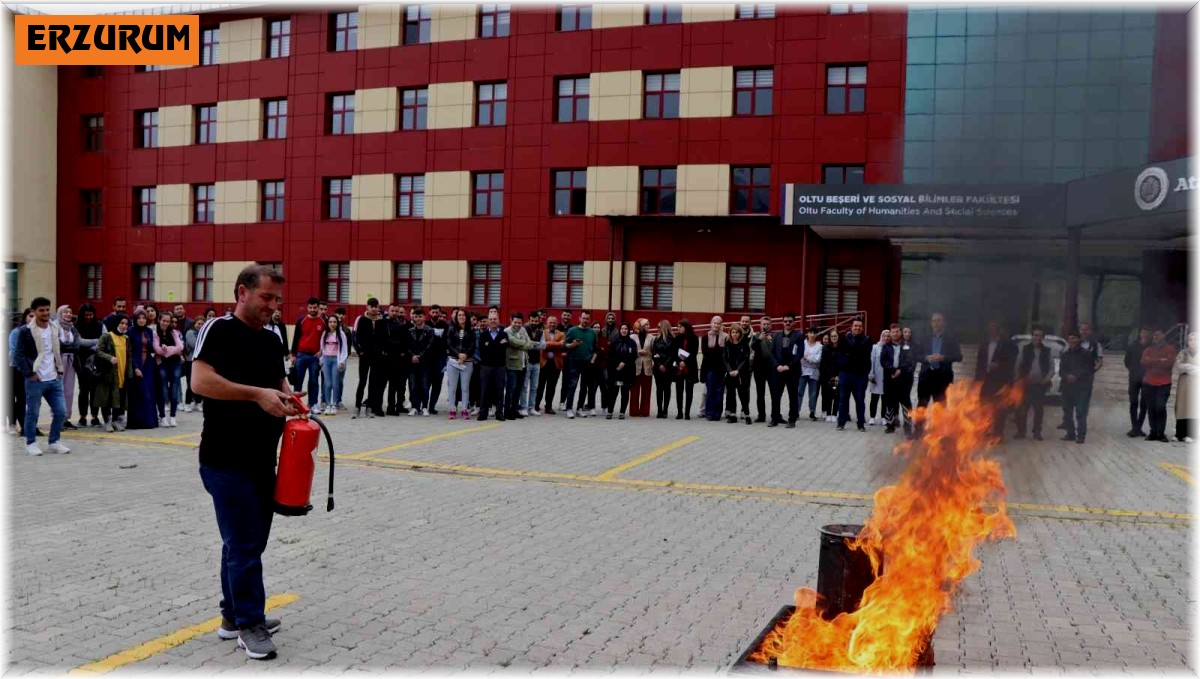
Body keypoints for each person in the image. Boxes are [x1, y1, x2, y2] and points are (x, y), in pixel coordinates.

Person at [191, 265, 299, 660]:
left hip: (261, 460)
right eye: (266, 298)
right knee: (244, 544)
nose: (273, 307)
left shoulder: (272, 339)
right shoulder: (218, 330)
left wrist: (291, 399)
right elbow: (200, 382)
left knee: (245, 542)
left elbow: (279, 383)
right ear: (242, 292)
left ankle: (231, 617)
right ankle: (250, 624)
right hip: (223, 460)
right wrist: (257, 395)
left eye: (277, 301)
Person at [13, 298, 70, 455]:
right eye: (41, 310)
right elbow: (19, 355)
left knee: (61, 412)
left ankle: (54, 441)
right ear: (33, 311)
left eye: (47, 309)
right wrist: (30, 373)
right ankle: (31, 443)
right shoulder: (25, 331)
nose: (45, 313)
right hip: (35, 380)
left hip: (54, 378)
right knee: (33, 413)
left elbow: (57, 349)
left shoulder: (53, 327)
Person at [55, 305, 96, 430]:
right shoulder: (54, 327)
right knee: (58, 390)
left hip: (71, 361)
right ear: (60, 313)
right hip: (58, 361)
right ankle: (58, 419)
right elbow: (58, 344)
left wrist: (98, 340)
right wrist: (72, 347)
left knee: (69, 390)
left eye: (70, 312)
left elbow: (80, 342)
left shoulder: (72, 328)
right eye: (65, 312)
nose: (68, 314)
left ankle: (66, 418)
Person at [916, 312, 962, 424]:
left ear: (944, 323)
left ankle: (939, 433)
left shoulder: (950, 338)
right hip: (926, 376)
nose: (936, 323)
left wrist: (943, 357)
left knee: (941, 406)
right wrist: (926, 358)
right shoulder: (924, 338)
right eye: (934, 320)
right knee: (922, 404)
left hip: (943, 377)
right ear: (931, 323)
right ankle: (918, 430)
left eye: (939, 320)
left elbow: (959, 356)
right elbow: (916, 355)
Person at [974, 319, 1017, 438]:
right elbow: (979, 363)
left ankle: (998, 434)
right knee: (984, 406)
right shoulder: (984, 344)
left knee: (999, 409)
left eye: (994, 327)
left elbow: (1011, 362)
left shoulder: (1007, 344)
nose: (992, 330)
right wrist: (977, 380)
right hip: (986, 381)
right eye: (990, 327)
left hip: (1000, 381)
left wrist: (999, 365)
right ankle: (985, 430)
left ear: (999, 330)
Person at [1013, 326, 1052, 441]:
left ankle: (1037, 432)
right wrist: (1018, 379)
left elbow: (1051, 367)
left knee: (1039, 410)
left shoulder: (1047, 351)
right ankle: (1021, 431)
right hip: (1025, 384)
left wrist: (1047, 378)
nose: (1037, 337)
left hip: (1040, 385)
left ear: (1043, 337)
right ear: (1032, 336)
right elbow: (1018, 364)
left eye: (1039, 335)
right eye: (1035, 335)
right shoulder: (1024, 349)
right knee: (1022, 409)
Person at [95, 315, 133, 432]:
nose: (124, 326)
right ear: (116, 323)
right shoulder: (107, 336)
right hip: (109, 373)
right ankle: (107, 422)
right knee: (107, 398)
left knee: (120, 398)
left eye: (126, 324)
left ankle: (115, 421)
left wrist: (130, 373)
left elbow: (129, 356)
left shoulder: (126, 339)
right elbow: (98, 351)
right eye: (122, 323)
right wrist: (109, 357)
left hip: (122, 372)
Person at [503, 312, 542, 420]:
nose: (517, 324)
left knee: (518, 389)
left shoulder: (523, 330)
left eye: (519, 322)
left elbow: (529, 344)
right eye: (515, 322)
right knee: (511, 389)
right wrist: (525, 344)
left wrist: (525, 344)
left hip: (524, 364)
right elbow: (513, 342)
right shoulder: (506, 331)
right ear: (511, 321)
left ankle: (515, 410)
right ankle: (507, 411)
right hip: (512, 364)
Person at [836, 319, 873, 432]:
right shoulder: (844, 339)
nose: (857, 328)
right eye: (855, 326)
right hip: (845, 374)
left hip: (860, 376)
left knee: (860, 400)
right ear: (851, 327)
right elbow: (840, 355)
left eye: (860, 326)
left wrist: (850, 354)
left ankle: (861, 424)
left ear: (862, 328)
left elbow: (864, 354)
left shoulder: (867, 340)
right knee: (843, 400)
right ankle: (841, 423)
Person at [353, 299, 388, 418]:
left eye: (376, 306)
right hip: (365, 355)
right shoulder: (362, 320)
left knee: (373, 382)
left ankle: (369, 408)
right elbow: (357, 337)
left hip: (377, 356)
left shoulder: (382, 321)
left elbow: (385, 338)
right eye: (371, 306)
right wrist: (360, 351)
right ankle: (357, 407)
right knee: (362, 381)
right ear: (367, 307)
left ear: (378, 308)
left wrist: (383, 351)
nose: (373, 309)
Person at [1059, 329, 1095, 444]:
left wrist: (1076, 376)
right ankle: (1070, 434)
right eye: (1069, 339)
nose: (1071, 341)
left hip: (1082, 387)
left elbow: (1089, 369)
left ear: (1079, 339)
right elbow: (1061, 370)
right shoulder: (1065, 354)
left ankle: (1081, 435)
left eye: (1074, 338)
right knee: (1067, 412)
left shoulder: (1087, 354)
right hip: (1067, 387)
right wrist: (1067, 376)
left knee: (1081, 412)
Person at [125, 309, 159, 430]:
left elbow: (152, 348)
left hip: (148, 364)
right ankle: (136, 422)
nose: (141, 320)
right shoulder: (130, 331)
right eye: (139, 318)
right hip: (136, 362)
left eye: (144, 318)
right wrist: (134, 367)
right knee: (137, 393)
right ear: (135, 319)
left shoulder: (149, 331)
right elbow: (129, 352)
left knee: (149, 392)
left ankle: (149, 421)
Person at [1141, 328, 1176, 443]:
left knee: (1160, 407)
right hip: (1149, 382)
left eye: (1158, 335)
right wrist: (1160, 360)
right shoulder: (1148, 349)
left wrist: (1153, 361)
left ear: (1163, 336)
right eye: (1154, 335)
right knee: (1151, 408)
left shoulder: (1170, 349)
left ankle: (1161, 433)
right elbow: (1144, 362)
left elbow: (1169, 363)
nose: (1155, 337)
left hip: (1164, 383)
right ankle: (1153, 432)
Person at [881, 324, 916, 437]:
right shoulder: (886, 346)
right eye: (893, 332)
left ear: (900, 333)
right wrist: (892, 370)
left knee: (906, 403)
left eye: (897, 332)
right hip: (890, 379)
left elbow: (910, 360)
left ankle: (908, 427)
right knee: (889, 402)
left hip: (904, 379)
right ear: (890, 334)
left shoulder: (906, 345)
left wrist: (900, 370)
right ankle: (890, 425)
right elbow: (883, 361)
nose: (895, 334)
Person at [290, 298, 324, 408]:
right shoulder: (301, 321)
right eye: (310, 307)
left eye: (315, 307)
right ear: (307, 307)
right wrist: (293, 354)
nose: (313, 309)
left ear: (318, 308)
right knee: (298, 381)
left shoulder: (323, 322)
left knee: (314, 381)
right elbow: (296, 338)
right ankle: (296, 404)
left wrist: (321, 351)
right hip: (301, 355)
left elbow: (325, 339)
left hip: (315, 357)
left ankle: (312, 404)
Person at [766, 313, 799, 428]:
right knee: (775, 395)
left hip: (792, 370)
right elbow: (771, 353)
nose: (787, 323)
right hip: (778, 370)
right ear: (782, 322)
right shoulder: (776, 336)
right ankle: (774, 418)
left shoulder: (798, 336)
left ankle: (792, 419)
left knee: (792, 396)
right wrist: (777, 366)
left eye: (790, 321)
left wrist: (789, 366)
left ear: (794, 322)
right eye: (785, 321)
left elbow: (800, 354)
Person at [153, 311, 185, 427]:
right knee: (163, 391)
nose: (165, 323)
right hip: (162, 364)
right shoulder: (155, 333)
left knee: (174, 390)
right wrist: (171, 350)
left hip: (175, 363)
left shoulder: (174, 332)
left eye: (168, 321)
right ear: (159, 320)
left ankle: (173, 416)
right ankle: (162, 416)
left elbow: (180, 347)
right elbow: (157, 349)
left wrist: (167, 350)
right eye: (163, 321)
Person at [75, 303, 104, 427]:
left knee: (95, 389)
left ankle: (95, 416)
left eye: (91, 314)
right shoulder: (76, 326)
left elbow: (104, 339)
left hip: (96, 360)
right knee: (83, 389)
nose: (89, 317)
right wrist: (95, 341)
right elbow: (79, 341)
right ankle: (82, 417)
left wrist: (93, 347)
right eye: (86, 315)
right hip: (81, 361)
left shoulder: (100, 325)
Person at [476, 309, 508, 421]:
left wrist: (491, 345)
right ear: (488, 321)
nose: (493, 321)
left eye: (495, 319)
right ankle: (483, 413)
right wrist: (497, 345)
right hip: (486, 366)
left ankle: (499, 413)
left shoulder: (504, 334)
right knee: (485, 390)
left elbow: (503, 350)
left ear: (499, 320)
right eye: (491, 319)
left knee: (499, 390)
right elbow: (483, 350)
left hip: (500, 366)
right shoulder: (483, 334)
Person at [562, 311, 595, 419]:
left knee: (584, 387)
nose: (585, 320)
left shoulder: (592, 332)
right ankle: (569, 409)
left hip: (587, 362)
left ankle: (579, 408)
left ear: (590, 320)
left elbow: (595, 348)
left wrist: (592, 359)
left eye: (587, 319)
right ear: (579, 318)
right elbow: (565, 345)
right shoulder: (572, 330)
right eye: (583, 318)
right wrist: (573, 344)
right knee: (572, 385)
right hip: (574, 361)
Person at [445, 309, 476, 420]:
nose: (461, 317)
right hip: (453, 361)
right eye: (459, 315)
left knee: (465, 387)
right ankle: (452, 409)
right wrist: (458, 354)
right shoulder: (451, 329)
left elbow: (473, 346)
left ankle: (464, 410)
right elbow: (449, 344)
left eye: (463, 315)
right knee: (452, 387)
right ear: (456, 317)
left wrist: (465, 355)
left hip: (467, 362)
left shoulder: (471, 331)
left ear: (466, 317)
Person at [605, 322, 637, 419]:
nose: (624, 330)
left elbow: (634, 356)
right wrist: (617, 364)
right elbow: (610, 356)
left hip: (627, 372)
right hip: (616, 371)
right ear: (620, 330)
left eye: (626, 329)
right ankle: (610, 411)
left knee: (625, 392)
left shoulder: (632, 343)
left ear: (628, 330)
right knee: (613, 392)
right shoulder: (614, 342)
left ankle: (622, 412)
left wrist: (624, 363)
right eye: (622, 329)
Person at [407, 307, 436, 416]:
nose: (418, 319)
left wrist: (419, 356)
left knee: (424, 385)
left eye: (420, 316)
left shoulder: (429, 330)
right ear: (413, 317)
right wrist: (412, 356)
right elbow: (407, 345)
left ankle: (424, 407)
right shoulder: (410, 331)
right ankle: (415, 406)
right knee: (413, 385)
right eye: (416, 316)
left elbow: (430, 346)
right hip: (412, 362)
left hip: (425, 362)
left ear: (424, 317)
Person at [318, 315, 348, 416]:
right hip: (326, 359)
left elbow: (344, 349)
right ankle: (327, 404)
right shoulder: (324, 334)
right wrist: (321, 359)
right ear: (328, 323)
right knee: (327, 383)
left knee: (335, 383)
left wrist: (342, 361)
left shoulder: (341, 334)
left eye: (334, 322)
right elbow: (321, 347)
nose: (332, 324)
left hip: (336, 360)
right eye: (330, 322)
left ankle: (334, 404)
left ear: (337, 323)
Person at [1124, 327, 1151, 437]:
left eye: (1147, 332)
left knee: (1144, 404)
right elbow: (1126, 361)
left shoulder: (1152, 347)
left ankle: (1139, 427)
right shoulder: (1132, 346)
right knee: (1133, 402)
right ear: (1140, 333)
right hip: (1134, 378)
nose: (1144, 334)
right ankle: (1134, 427)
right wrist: (1133, 369)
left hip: (1147, 379)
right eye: (1143, 332)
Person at [384, 304, 411, 416]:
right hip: (386, 357)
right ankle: (383, 406)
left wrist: (402, 351)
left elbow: (404, 341)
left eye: (396, 311)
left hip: (398, 358)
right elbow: (384, 339)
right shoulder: (383, 324)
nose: (394, 313)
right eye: (393, 311)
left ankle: (394, 406)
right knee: (383, 384)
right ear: (388, 311)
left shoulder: (401, 325)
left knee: (396, 384)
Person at [723, 324, 752, 424]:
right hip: (730, 373)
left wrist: (737, 370)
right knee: (731, 395)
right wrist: (729, 370)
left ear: (740, 333)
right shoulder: (727, 343)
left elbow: (745, 359)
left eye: (737, 332)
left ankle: (747, 414)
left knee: (742, 395)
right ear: (730, 333)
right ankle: (733, 415)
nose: (735, 334)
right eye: (733, 332)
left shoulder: (744, 343)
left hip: (741, 373)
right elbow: (725, 359)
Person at [700, 316, 727, 422]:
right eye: (714, 323)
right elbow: (706, 353)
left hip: (721, 368)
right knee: (710, 391)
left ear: (721, 325)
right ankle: (709, 413)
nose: (716, 325)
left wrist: (717, 352)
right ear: (711, 324)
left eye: (718, 323)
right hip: (709, 368)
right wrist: (718, 352)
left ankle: (717, 413)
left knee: (719, 392)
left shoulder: (725, 337)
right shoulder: (705, 337)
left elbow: (725, 354)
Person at [537, 315, 566, 415]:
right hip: (543, 363)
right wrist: (555, 344)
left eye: (554, 322)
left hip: (555, 363)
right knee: (540, 385)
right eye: (550, 322)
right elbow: (542, 345)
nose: (552, 324)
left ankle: (548, 406)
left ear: (557, 323)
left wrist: (549, 343)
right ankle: (536, 405)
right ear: (547, 323)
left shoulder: (562, 334)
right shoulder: (542, 332)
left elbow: (562, 345)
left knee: (551, 386)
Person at [519, 310, 545, 416]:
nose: (534, 322)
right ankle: (523, 407)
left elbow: (543, 346)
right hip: (527, 362)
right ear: (528, 320)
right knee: (524, 386)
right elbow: (524, 344)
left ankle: (532, 407)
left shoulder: (541, 331)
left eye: (536, 321)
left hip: (537, 363)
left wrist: (532, 344)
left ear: (538, 321)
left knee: (534, 387)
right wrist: (535, 344)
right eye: (532, 321)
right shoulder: (523, 330)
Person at [425, 305, 450, 415]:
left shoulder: (445, 325)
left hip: (440, 358)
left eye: (437, 312)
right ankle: (424, 405)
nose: (435, 314)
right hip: (427, 359)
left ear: (440, 313)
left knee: (437, 384)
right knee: (425, 383)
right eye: (433, 312)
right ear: (429, 312)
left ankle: (432, 406)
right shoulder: (425, 324)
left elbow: (446, 341)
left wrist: (445, 359)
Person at [1174, 332, 1197, 443]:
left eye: (1195, 339)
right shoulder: (1183, 352)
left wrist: (1188, 367)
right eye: (1190, 339)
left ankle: (1191, 434)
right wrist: (1194, 368)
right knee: (1182, 407)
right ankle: (1179, 434)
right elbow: (1179, 366)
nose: (1192, 342)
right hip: (1184, 384)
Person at [673, 319, 699, 419]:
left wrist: (685, 362)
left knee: (689, 390)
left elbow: (694, 352)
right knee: (679, 390)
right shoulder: (677, 338)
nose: (678, 328)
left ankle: (687, 413)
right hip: (679, 367)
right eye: (678, 327)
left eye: (680, 326)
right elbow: (674, 352)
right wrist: (679, 362)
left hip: (690, 367)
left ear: (686, 327)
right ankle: (679, 412)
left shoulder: (694, 338)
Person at [650, 319, 677, 418]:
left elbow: (673, 354)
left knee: (667, 389)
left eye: (659, 327)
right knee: (659, 389)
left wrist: (665, 365)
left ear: (664, 327)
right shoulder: (656, 339)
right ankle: (659, 410)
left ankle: (665, 410)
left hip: (668, 368)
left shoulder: (672, 339)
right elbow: (653, 353)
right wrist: (659, 364)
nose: (657, 329)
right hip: (658, 367)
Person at [749, 317, 773, 423]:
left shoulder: (775, 336)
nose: (766, 326)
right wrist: (760, 339)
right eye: (764, 324)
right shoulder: (755, 336)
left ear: (771, 325)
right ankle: (761, 415)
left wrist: (770, 340)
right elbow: (753, 347)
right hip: (759, 368)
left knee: (774, 393)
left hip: (771, 368)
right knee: (760, 393)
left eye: (768, 324)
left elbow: (776, 350)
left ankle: (775, 415)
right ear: (760, 325)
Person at [630, 319, 654, 418]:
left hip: (647, 367)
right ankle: (634, 411)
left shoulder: (652, 337)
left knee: (646, 390)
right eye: (646, 324)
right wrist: (638, 352)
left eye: (648, 324)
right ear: (640, 326)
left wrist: (648, 353)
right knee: (634, 391)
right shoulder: (632, 337)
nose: (648, 326)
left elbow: (654, 351)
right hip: (635, 366)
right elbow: (630, 350)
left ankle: (644, 411)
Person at [797, 327, 822, 422]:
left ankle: (812, 412)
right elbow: (799, 356)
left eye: (814, 333)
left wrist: (808, 358)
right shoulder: (802, 344)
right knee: (799, 392)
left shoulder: (819, 346)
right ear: (807, 334)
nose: (812, 335)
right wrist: (809, 358)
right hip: (802, 371)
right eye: (810, 332)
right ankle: (796, 411)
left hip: (814, 372)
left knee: (813, 393)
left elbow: (818, 359)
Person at [867, 329, 889, 426]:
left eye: (888, 336)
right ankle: (872, 417)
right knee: (874, 398)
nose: (885, 338)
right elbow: (871, 361)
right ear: (881, 336)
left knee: (885, 399)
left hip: (887, 377)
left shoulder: (890, 347)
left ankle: (883, 417)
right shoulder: (875, 347)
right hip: (876, 375)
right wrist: (871, 374)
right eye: (884, 336)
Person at [183, 316, 204, 413]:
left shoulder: (204, 333)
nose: (200, 326)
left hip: (201, 361)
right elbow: (195, 345)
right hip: (190, 361)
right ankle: (188, 403)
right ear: (194, 324)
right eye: (198, 323)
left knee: (201, 382)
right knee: (191, 382)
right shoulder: (190, 333)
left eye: (202, 324)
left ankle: (198, 402)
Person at [819, 331, 839, 422]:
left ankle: (834, 414)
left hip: (838, 376)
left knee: (837, 395)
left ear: (838, 337)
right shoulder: (826, 348)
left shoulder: (842, 348)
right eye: (832, 336)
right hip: (828, 376)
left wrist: (838, 375)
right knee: (828, 395)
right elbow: (823, 363)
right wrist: (830, 375)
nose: (834, 337)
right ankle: (828, 413)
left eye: (835, 336)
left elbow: (843, 362)